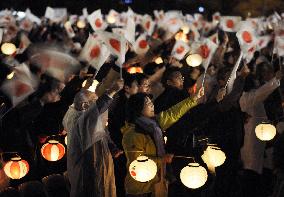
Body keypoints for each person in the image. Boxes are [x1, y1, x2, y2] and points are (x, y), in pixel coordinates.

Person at [122, 86, 204, 197]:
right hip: (140, 188)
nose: (152, 105)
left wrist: (192, 99)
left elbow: (172, 113)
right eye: (148, 104)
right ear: (138, 108)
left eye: (151, 102)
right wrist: (162, 159)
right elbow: (136, 163)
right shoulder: (133, 134)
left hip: (157, 182)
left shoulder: (154, 124)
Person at [62, 79, 124, 197]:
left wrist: (112, 147)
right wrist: (111, 92)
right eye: (94, 101)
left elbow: (102, 132)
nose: (96, 104)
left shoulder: (82, 116)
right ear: (85, 105)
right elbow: (96, 111)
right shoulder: (79, 119)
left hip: (100, 163)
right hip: (88, 169)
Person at [239, 64, 282, 197]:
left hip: (262, 141)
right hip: (251, 144)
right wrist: (275, 80)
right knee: (251, 174)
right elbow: (260, 93)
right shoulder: (246, 98)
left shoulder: (253, 98)